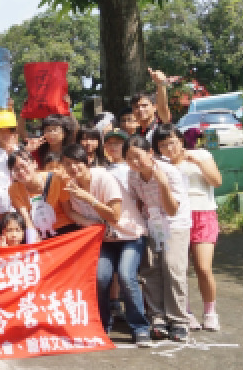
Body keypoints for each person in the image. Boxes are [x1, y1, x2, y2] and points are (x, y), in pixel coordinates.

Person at [153, 124, 222, 331]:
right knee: (179, 269)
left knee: (203, 267)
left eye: (172, 142)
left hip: (203, 215)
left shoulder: (201, 154)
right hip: (175, 219)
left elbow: (217, 182)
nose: (169, 148)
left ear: (181, 141)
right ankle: (186, 312)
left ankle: (210, 312)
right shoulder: (160, 165)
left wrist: (198, 162)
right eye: (163, 145)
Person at [124, 135, 191, 342]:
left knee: (173, 267)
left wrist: (163, 185)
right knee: (150, 269)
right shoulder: (132, 175)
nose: (134, 162)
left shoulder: (169, 172)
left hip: (174, 223)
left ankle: (179, 321)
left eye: (138, 156)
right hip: (151, 224)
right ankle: (158, 318)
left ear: (150, 153)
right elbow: (137, 202)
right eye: (129, 158)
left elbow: (172, 210)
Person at [96, 130, 154, 346]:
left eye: (118, 143)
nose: (113, 147)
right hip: (108, 236)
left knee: (126, 276)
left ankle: (140, 327)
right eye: (109, 143)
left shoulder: (134, 171)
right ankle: (102, 325)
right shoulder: (100, 171)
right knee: (101, 277)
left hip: (131, 234)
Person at [7, 150, 75, 238]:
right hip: (40, 233)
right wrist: (34, 241)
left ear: (34, 164)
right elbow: (27, 220)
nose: (21, 171)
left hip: (65, 229)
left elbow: (69, 212)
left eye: (23, 166)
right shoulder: (14, 189)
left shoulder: (56, 180)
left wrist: (91, 224)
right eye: (16, 169)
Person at [130, 68, 172, 140]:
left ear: (155, 107)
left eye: (144, 105)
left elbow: (163, 108)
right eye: (136, 107)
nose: (140, 109)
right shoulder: (136, 134)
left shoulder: (162, 125)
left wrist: (161, 84)